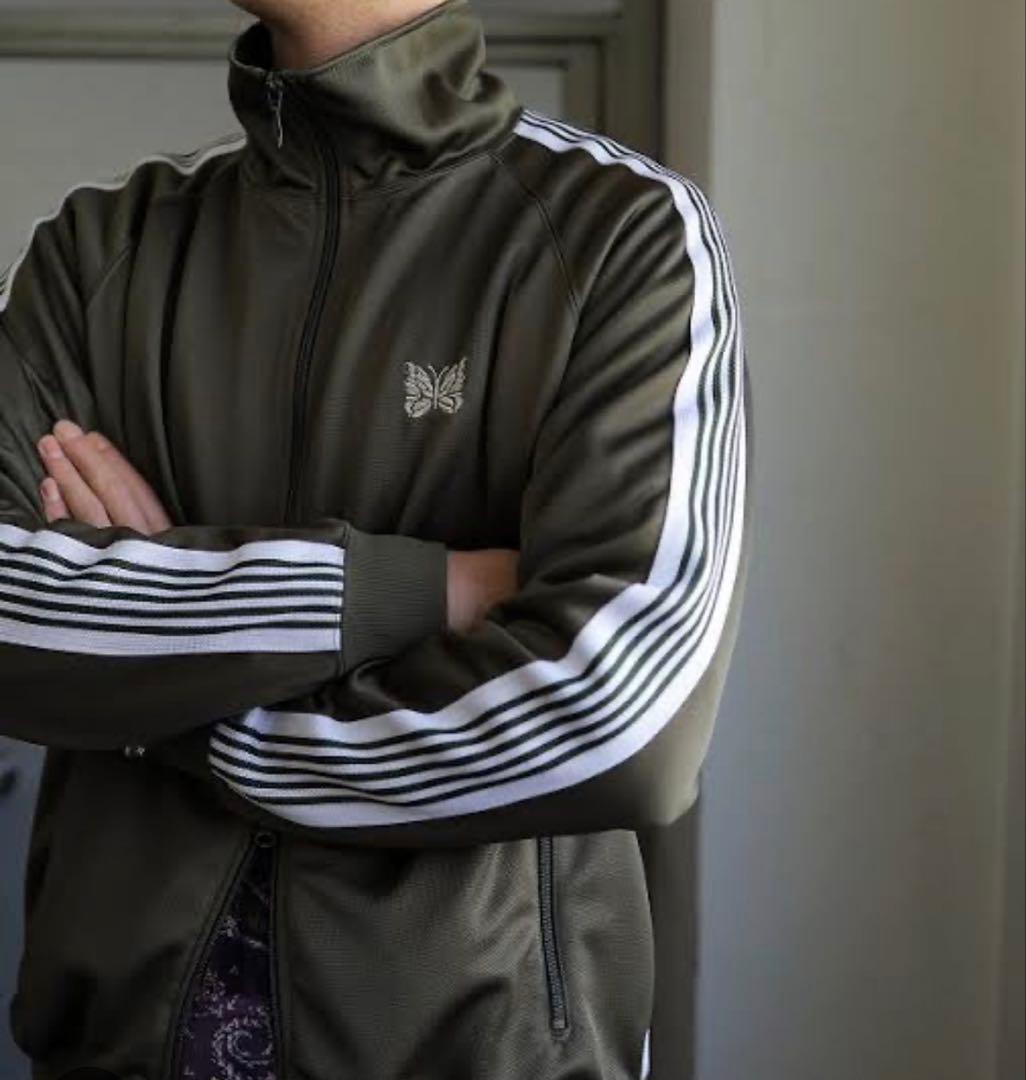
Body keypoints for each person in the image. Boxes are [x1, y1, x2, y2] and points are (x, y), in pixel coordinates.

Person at [0, 0, 753, 1076]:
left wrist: (174, 711)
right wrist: (412, 591)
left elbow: (618, 717)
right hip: (115, 1047)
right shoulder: (102, 248)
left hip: (478, 1051)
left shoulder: (618, 233)